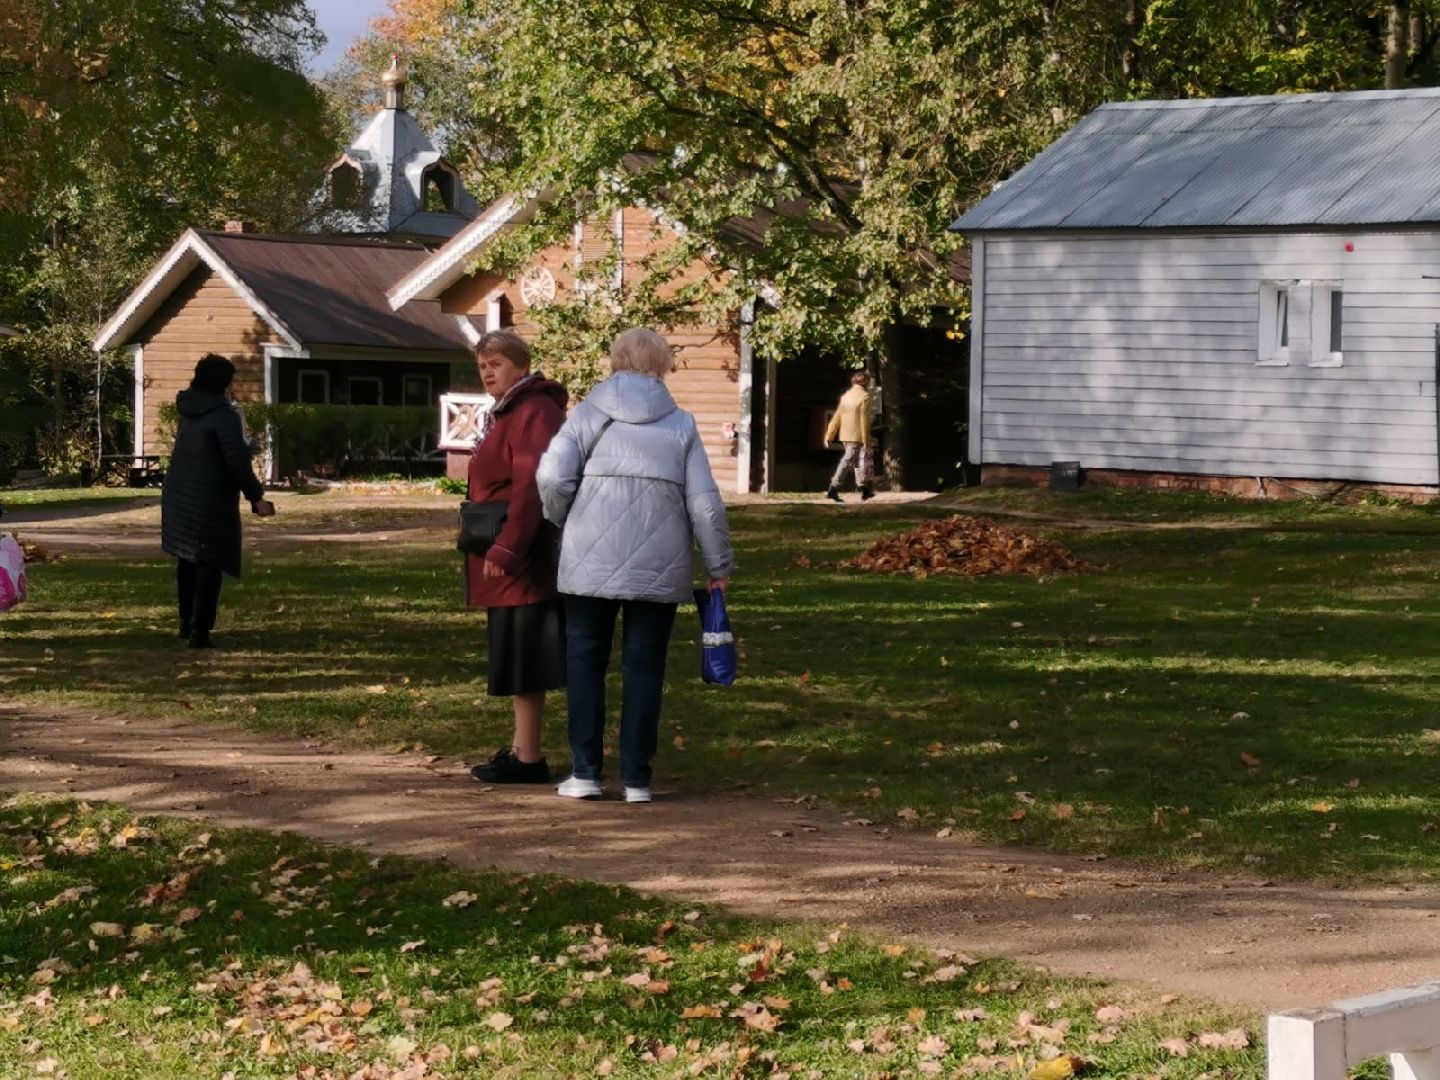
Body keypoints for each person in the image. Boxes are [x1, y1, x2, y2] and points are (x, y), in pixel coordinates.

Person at [537, 326, 733, 804]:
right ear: (663, 365)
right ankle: (637, 779)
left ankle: (585, 772)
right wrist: (718, 564)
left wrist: (562, 516)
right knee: (645, 669)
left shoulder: (586, 415)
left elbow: (552, 476)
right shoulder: (681, 424)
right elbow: (705, 504)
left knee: (585, 663)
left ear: (615, 360)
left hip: (589, 558)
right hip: (660, 564)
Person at [465, 329, 569, 784]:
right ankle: (522, 750)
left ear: (521, 366)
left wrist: (508, 547)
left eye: (496, 364)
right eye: (482, 366)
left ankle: (528, 757)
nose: (488, 373)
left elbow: (533, 485)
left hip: (524, 554)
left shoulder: (534, 410)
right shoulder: (510, 409)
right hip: (507, 549)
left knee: (525, 652)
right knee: (515, 651)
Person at [160, 354, 275, 649]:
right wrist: (256, 497)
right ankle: (200, 630)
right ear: (223, 382)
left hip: (179, 494)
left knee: (187, 559)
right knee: (210, 561)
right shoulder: (223, 415)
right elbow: (235, 462)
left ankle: (186, 622)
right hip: (209, 497)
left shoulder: (189, 410)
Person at [823, 370, 874, 503]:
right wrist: (866, 440)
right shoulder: (865, 397)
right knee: (847, 461)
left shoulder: (846, 396)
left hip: (845, 435)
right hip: (857, 435)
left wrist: (829, 435)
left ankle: (864, 488)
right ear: (866, 383)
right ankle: (833, 488)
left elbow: (837, 416)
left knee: (856, 461)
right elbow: (864, 420)